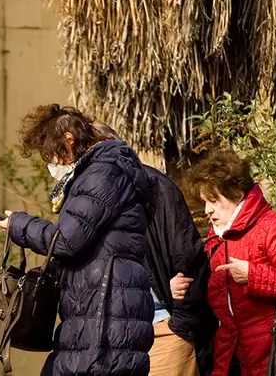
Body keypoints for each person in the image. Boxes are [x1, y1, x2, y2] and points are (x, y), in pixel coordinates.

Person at [0, 104, 155, 376]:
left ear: (69, 141)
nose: (50, 163)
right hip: (99, 310)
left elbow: (67, 240)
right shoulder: (97, 173)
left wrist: (18, 224)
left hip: (104, 317)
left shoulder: (102, 172)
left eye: (52, 153)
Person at [171, 150, 276, 376]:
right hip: (232, 358)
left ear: (237, 195)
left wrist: (253, 275)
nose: (208, 210)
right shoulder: (215, 242)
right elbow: (219, 303)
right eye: (205, 202)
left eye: (215, 201)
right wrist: (183, 289)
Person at [93, 123, 217, 376]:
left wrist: (180, 325)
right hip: (111, 341)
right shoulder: (88, 202)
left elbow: (189, 256)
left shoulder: (153, 187)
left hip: (162, 331)